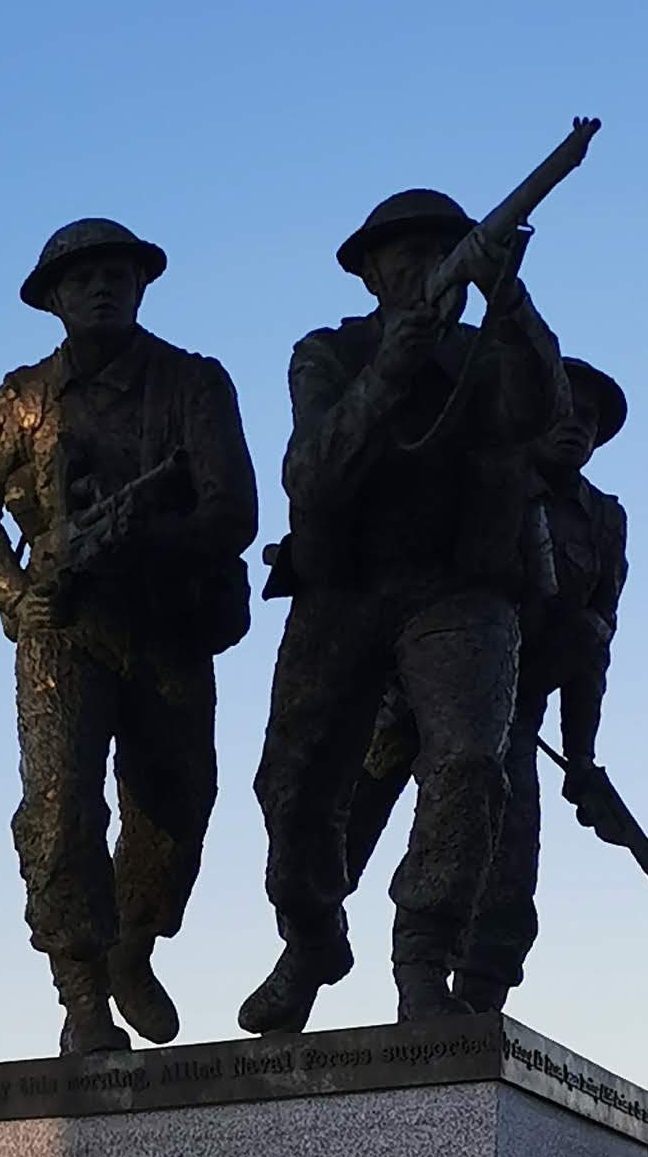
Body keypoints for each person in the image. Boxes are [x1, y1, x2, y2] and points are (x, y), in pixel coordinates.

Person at [240, 187, 574, 1032]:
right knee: (294, 781)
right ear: (369, 273)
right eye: (403, 253)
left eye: (442, 250)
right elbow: (311, 472)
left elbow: (548, 411)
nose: (423, 266)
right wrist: (395, 362)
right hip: (346, 584)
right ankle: (312, 935)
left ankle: (425, 955)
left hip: (462, 586)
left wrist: (513, 297)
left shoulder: (493, 352)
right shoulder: (327, 353)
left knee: (467, 765)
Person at [0, 219, 256, 1056]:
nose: (101, 288)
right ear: (52, 299)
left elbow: (234, 513)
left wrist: (139, 540)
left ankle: (133, 944)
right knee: (59, 807)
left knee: (178, 805)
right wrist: (14, 596)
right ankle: (82, 994)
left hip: (168, 625)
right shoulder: (22, 400)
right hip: (64, 629)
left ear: (143, 283)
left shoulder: (194, 384)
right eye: (81, 279)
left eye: (117, 273)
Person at [341, 357, 629, 1011]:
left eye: (591, 422)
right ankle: (306, 952)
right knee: (334, 847)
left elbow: (594, 646)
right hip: (404, 693)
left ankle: (461, 1003)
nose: (578, 428)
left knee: (505, 865)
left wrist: (581, 756)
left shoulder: (604, 521)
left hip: (511, 710)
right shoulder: (469, 470)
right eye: (566, 411)